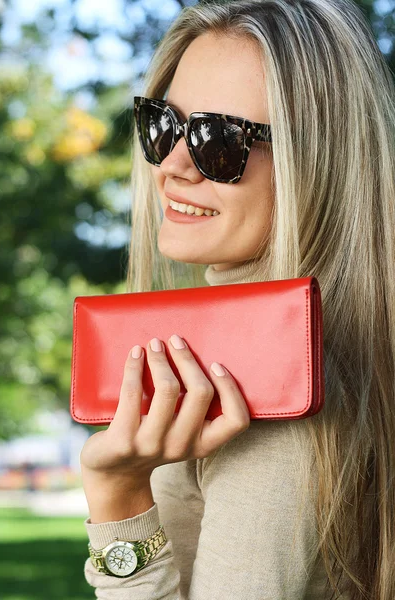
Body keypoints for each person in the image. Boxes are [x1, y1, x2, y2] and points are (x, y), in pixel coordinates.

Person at [78, 0, 395, 598]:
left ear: (315, 165)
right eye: (163, 124)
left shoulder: (273, 388)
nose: (171, 165)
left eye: (217, 141)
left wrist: (118, 499)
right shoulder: (312, 351)